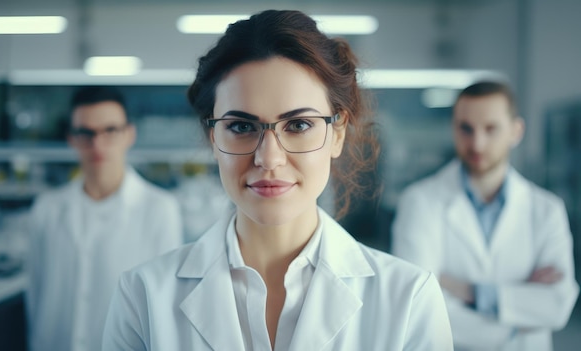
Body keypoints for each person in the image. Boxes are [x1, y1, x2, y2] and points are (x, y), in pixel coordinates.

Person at [103, 9, 452, 351]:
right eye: (241, 127)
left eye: (298, 125)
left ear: (338, 134)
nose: (268, 158)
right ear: (213, 138)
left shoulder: (409, 298)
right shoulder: (143, 297)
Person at [392, 81, 579, 351]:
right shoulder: (419, 202)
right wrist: (515, 322)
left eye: (491, 129)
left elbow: (557, 305)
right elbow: (419, 304)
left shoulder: (547, 209)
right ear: (453, 128)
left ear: (516, 131)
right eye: (466, 128)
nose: (477, 143)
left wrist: (467, 290)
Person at [26, 86, 184, 351]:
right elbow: (35, 296)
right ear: (71, 138)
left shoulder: (160, 209)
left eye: (110, 131)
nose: (97, 144)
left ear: (129, 135)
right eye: (85, 133)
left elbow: (164, 304)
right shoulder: (47, 209)